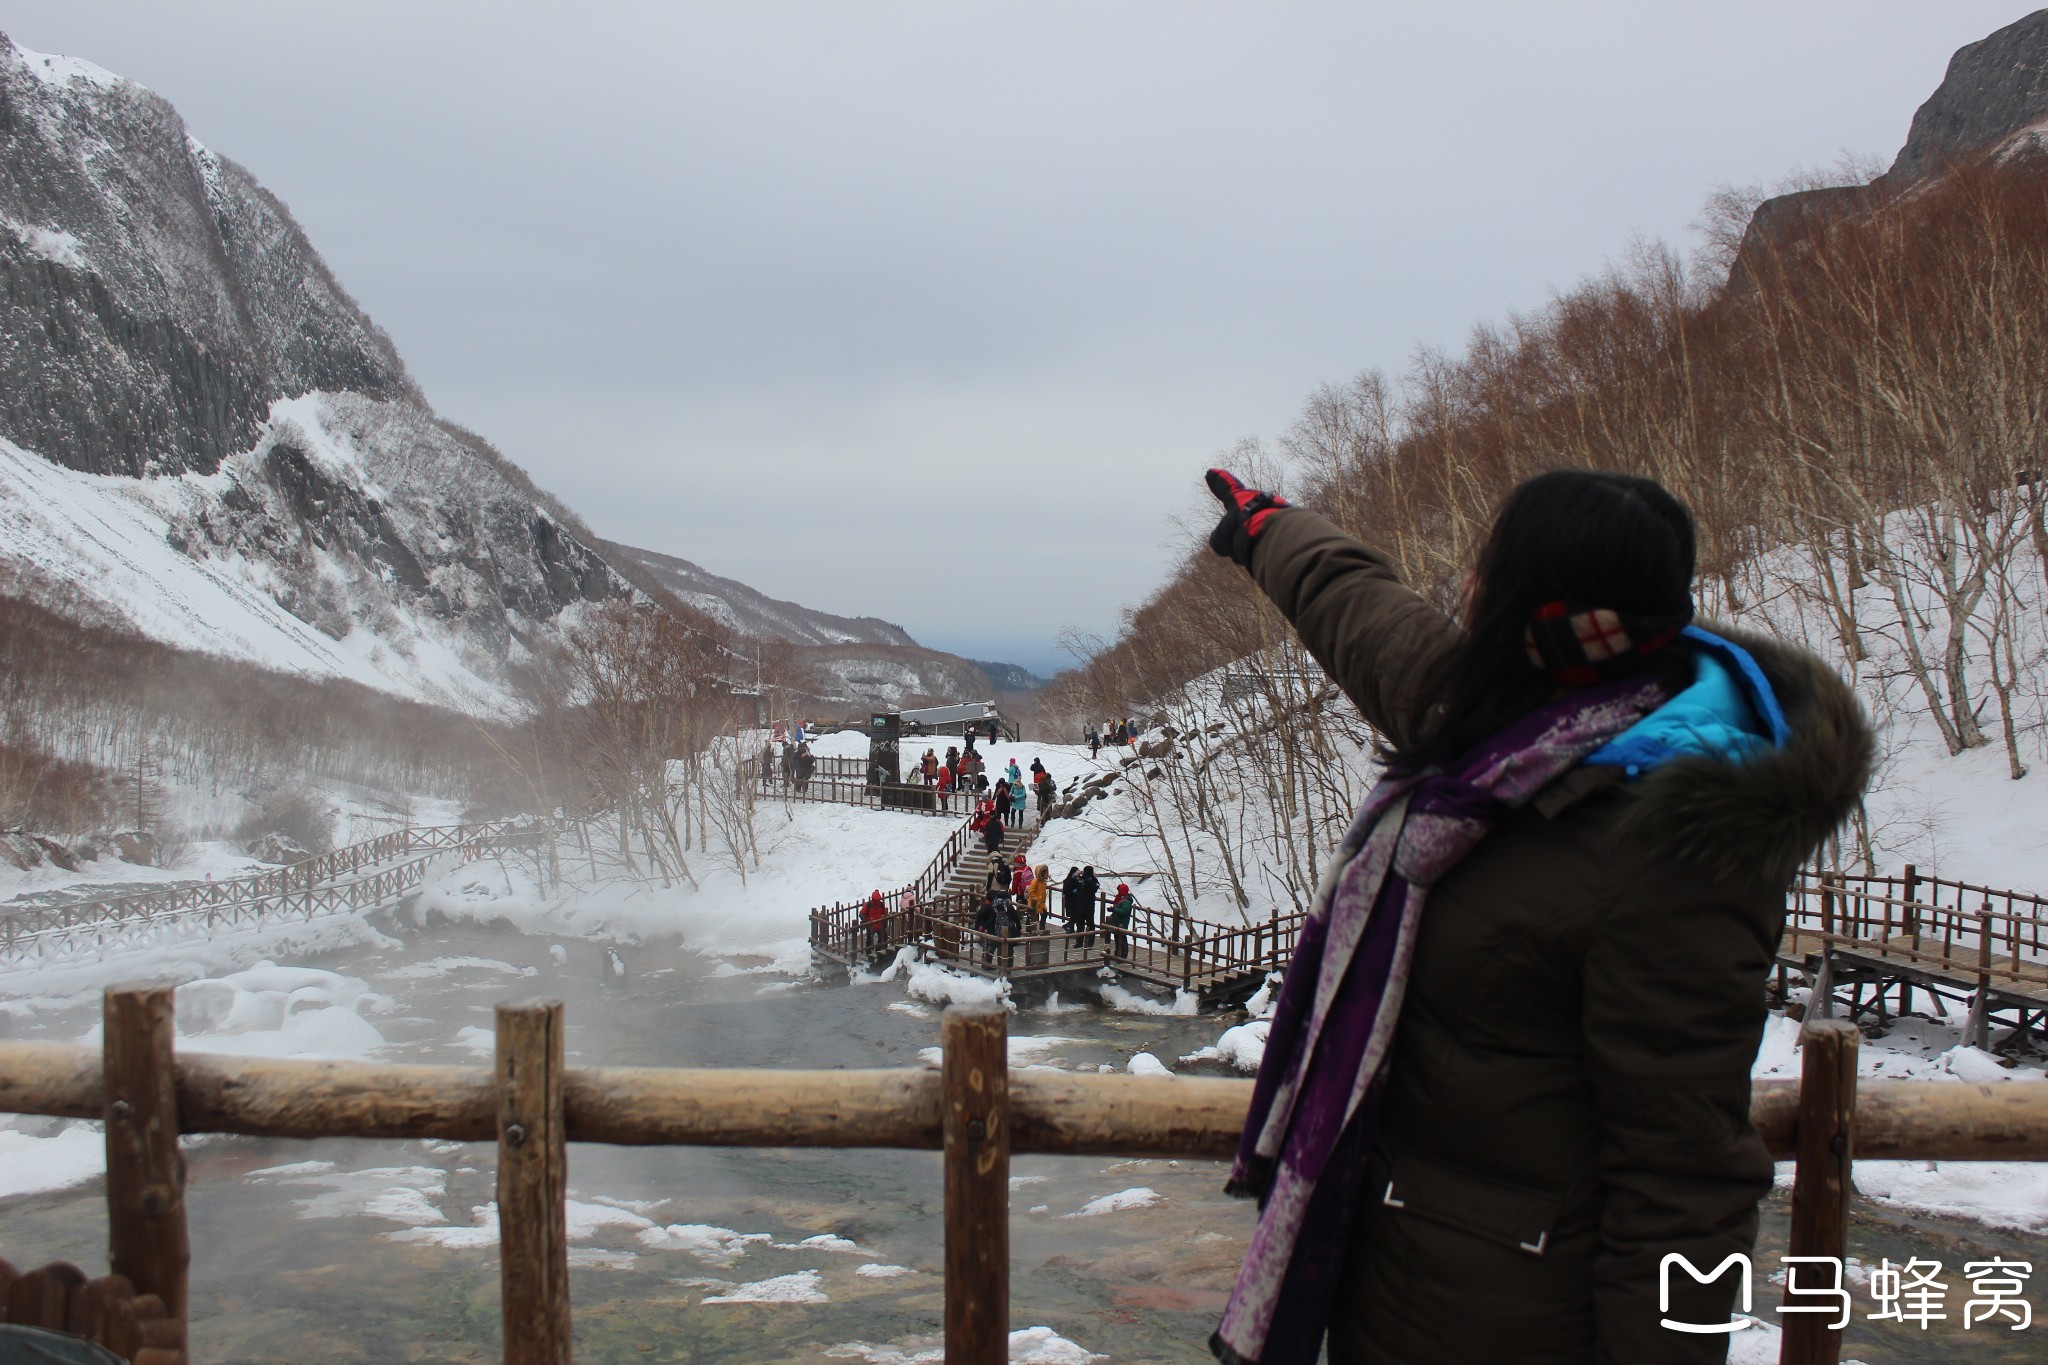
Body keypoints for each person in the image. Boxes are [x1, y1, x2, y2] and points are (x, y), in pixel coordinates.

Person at [1198, 467, 1871, 1365]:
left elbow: (1684, 1193)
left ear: (1536, 612)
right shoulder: (1506, 731)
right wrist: (1268, 529)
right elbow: (1365, 615)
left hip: (1517, 1323)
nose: (1469, 586)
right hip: (1397, 1295)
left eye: (1491, 568)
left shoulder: (1675, 860)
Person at [1105, 882, 1134, 959]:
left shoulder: (1126, 901)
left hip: (1122, 922)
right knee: (1117, 938)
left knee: (1122, 938)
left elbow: (1125, 911)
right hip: (1117, 921)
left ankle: (1122, 954)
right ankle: (1118, 953)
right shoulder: (1121, 899)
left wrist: (1114, 909)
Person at [861, 889, 886, 954]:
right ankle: (868, 952)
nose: (878, 901)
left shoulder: (881, 904)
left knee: (883, 937)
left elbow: (884, 913)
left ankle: (878, 949)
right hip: (870, 925)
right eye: (876, 900)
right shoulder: (868, 905)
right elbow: (861, 914)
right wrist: (865, 921)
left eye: (878, 900)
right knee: (869, 940)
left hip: (879, 925)